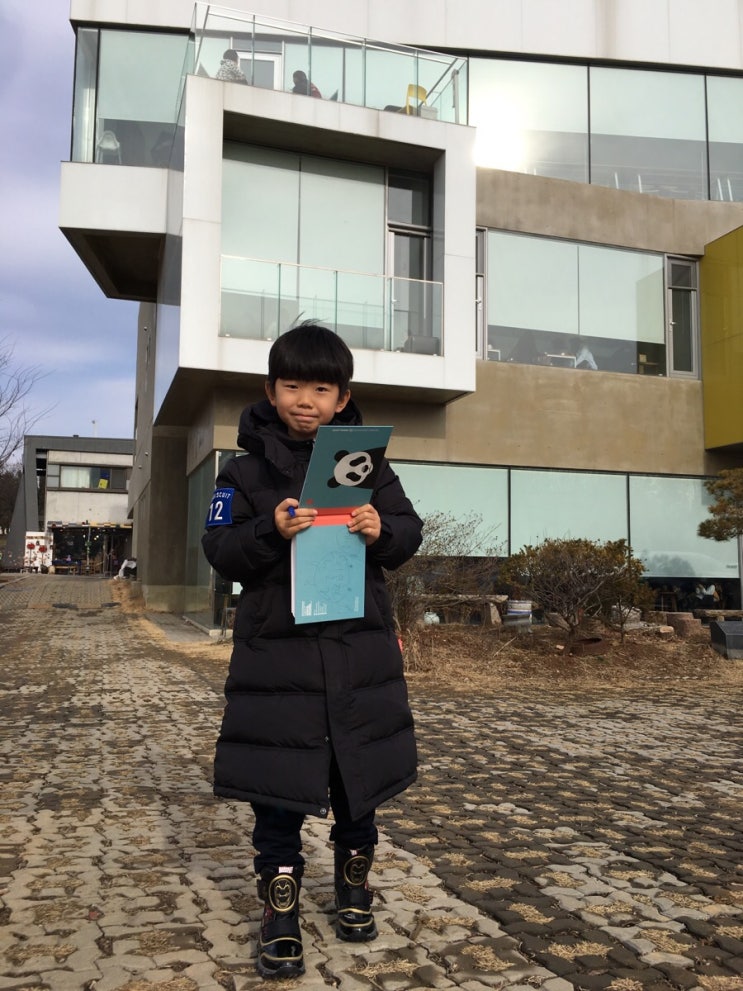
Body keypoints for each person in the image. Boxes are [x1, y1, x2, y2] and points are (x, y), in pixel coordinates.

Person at [202, 322, 422, 979]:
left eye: (321, 389)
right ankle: (280, 915)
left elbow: (408, 531)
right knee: (278, 793)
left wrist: (381, 529)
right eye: (292, 385)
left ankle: (354, 891)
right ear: (270, 391)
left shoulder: (367, 464)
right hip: (278, 662)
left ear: (342, 396)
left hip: (358, 658)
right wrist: (268, 531)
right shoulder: (239, 471)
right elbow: (218, 548)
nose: (306, 400)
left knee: (357, 786)